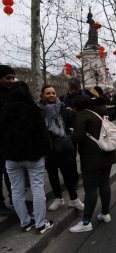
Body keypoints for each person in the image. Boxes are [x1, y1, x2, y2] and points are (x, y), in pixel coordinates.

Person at [0, 81, 54, 234]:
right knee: (37, 188)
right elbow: (43, 134)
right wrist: (45, 151)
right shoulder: (34, 109)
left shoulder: (4, 110)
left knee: (16, 190)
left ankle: (25, 222)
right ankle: (40, 223)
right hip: (33, 155)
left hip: (11, 156)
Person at [69, 94, 116, 233]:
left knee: (90, 189)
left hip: (92, 158)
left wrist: (69, 134)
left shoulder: (82, 114)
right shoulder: (99, 112)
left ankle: (86, 222)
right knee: (104, 184)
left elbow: (77, 137)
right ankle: (105, 214)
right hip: (107, 154)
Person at [39, 85, 84, 211]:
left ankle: (74, 199)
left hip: (63, 146)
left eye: (53, 93)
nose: (52, 95)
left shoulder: (63, 108)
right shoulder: (39, 110)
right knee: (52, 174)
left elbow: (71, 125)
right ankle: (58, 198)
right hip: (49, 148)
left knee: (68, 174)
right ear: (42, 95)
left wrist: (68, 136)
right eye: (48, 93)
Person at [0, 65, 14, 216]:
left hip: (10, 140)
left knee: (11, 171)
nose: (11, 80)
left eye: (12, 77)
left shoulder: (11, 94)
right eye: (7, 78)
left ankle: (14, 198)